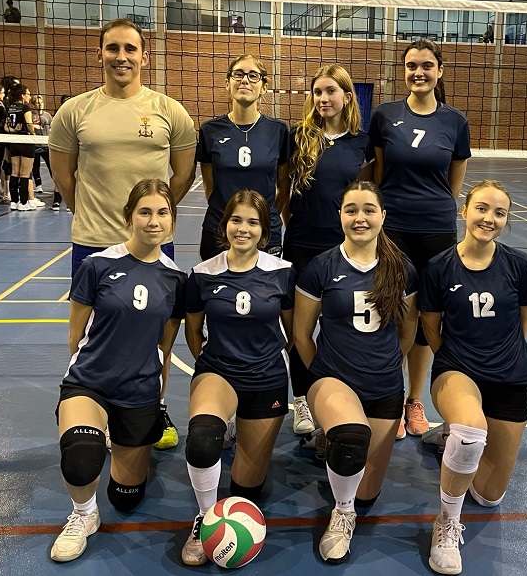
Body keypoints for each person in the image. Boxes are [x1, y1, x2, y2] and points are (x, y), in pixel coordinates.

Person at [49, 18, 196, 449]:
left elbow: (182, 175)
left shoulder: (170, 111)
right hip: (94, 242)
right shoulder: (74, 111)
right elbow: (63, 175)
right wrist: (91, 215)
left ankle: (155, 404)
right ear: (99, 54)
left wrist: (151, 220)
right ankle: (91, 403)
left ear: (144, 57)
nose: (121, 56)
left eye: (130, 49)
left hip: (153, 245)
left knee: (159, 337)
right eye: (112, 48)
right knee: (89, 335)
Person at [50, 179, 187, 562]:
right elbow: (76, 335)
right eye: (144, 212)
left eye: (162, 212)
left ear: (172, 219)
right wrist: (87, 375)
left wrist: (157, 401)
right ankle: (83, 514)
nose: (153, 221)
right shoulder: (97, 265)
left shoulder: (176, 280)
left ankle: (117, 435)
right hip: (90, 382)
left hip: (139, 391)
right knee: (81, 459)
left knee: (126, 498)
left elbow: (165, 349)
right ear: (129, 216)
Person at [418, 180, 527, 574]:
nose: (489, 218)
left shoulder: (520, 265)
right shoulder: (439, 267)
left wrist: (503, 358)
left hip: (510, 376)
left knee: (489, 496)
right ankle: (446, 522)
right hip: (458, 370)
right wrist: (456, 360)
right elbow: (431, 326)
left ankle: (450, 435)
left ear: (507, 220)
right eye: (482, 208)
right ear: (464, 211)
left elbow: (522, 323)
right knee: (471, 433)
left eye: (499, 213)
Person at [294, 181, 418, 563]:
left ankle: (341, 461)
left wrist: (383, 366)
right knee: (351, 440)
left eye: (368, 210)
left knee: (367, 494)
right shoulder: (321, 267)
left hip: (383, 386)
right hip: (334, 379)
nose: (359, 218)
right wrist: (323, 376)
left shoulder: (402, 270)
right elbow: (301, 335)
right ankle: (341, 512)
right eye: (351, 210)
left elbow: (407, 334)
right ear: (340, 216)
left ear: (383, 216)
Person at [180, 190, 295, 566]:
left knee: (247, 491)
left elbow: (292, 332)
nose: (243, 229)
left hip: (266, 377)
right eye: (236, 220)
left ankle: (238, 432)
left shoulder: (282, 272)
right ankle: (204, 517)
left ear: (264, 231)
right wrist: (211, 365)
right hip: (219, 371)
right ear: (224, 224)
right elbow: (193, 332)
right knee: (201, 442)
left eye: (253, 222)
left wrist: (264, 360)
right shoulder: (202, 274)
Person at [369, 38, 471, 439]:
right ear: (404, 71)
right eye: (412, 66)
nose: (419, 72)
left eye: (427, 66)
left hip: (436, 230)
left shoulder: (455, 121)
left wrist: (437, 206)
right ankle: (390, 398)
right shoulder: (384, 115)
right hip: (393, 229)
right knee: (393, 314)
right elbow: (379, 173)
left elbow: (454, 179)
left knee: (429, 315)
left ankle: (414, 400)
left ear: (439, 71)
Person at [282, 64, 373, 435]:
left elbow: (366, 197)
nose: (323, 98)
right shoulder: (298, 137)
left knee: (339, 329)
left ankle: (339, 398)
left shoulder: (362, 142)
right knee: (298, 331)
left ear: (347, 96)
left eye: (331, 91)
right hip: (301, 247)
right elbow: (282, 193)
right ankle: (303, 400)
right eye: (317, 91)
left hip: (343, 252)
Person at [196, 54, 290, 261]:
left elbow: (283, 187)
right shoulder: (210, 130)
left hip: (264, 230)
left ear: (264, 87)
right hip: (219, 227)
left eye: (253, 75)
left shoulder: (279, 131)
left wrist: (263, 217)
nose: (245, 80)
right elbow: (209, 186)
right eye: (238, 74)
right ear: (227, 83)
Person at [4, 83, 41, 211]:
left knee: (14, 172)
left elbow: (6, 126)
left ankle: (14, 201)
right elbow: (29, 125)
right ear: (22, 95)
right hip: (26, 142)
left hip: (14, 142)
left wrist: (14, 131)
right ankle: (24, 203)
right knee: (25, 173)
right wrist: (34, 135)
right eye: (28, 94)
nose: (29, 97)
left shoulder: (9, 108)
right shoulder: (25, 108)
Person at [30, 94, 63, 210]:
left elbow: (53, 126)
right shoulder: (30, 115)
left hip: (46, 145)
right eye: (37, 102)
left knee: (52, 168)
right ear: (33, 104)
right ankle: (38, 185)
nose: (40, 104)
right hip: (35, 144)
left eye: (41, 102)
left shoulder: (47, 115)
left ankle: (58, 190)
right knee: (35, 166)